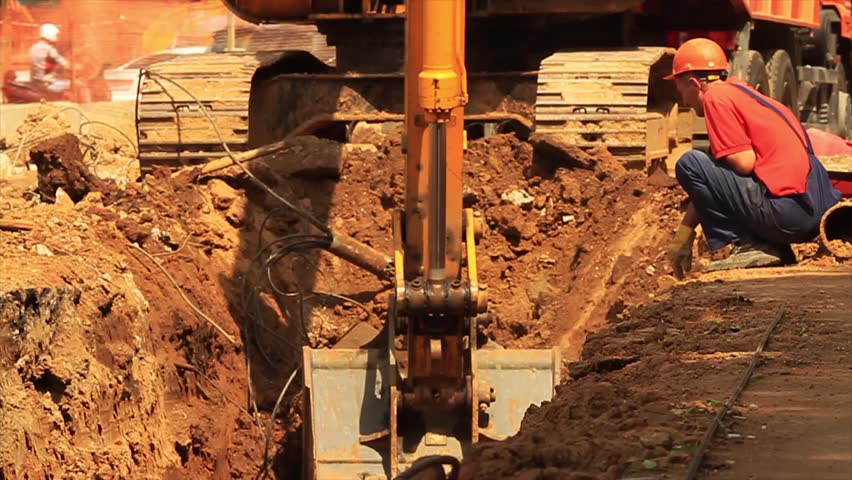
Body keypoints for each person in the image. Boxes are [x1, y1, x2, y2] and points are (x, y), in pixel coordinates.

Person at [665, 38, 843, 277]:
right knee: (707, 162)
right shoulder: (748, 97)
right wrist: (683, 236)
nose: (683, 101)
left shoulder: (715, 99)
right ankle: (774, 247)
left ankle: (750, 245)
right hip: (812, 215)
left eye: (681, 92)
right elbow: (715, 185)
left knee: (690, 163)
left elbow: (744, 163)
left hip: (790, 214)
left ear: (693, 83)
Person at [30, 23, 70, 94]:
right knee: (76, 84)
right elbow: (65, 64)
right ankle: (86, 104)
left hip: (35, 83)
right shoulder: (49, 49)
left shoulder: (34, 47)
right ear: (49, 34)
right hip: (47, 85)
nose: (57, 37)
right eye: (56, 34)